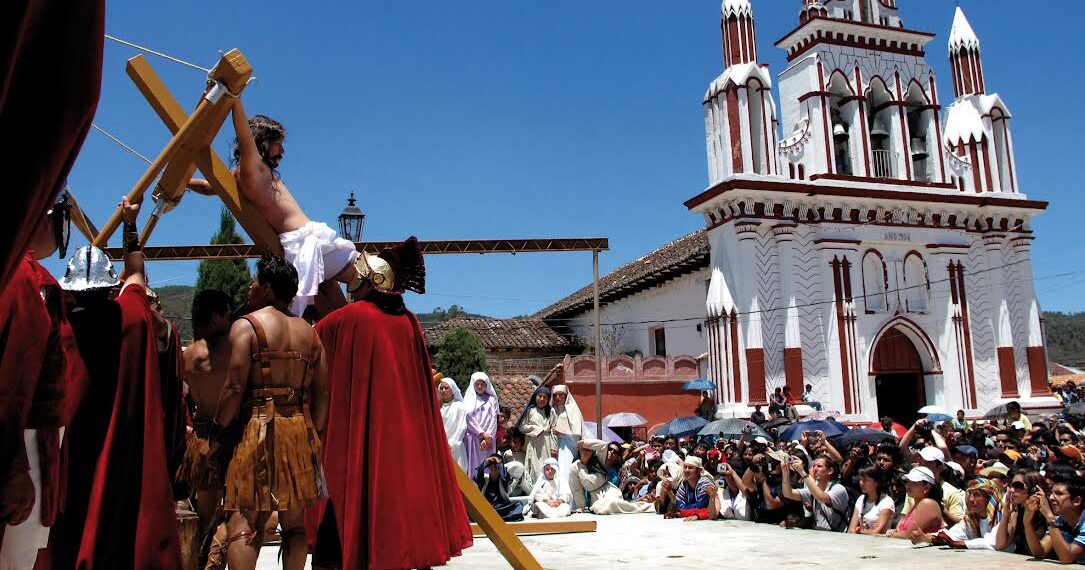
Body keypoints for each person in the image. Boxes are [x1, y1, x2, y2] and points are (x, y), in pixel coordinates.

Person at [310, 239, 471, 570]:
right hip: (407, 438)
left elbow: (312, 342)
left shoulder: (353, 318)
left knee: (348, 519)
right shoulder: (409, 321)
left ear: (370, 281)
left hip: (370, 436)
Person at [49, 197, 183, 568]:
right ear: (111, 289)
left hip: (73, 455)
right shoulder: (133, 316)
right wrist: (130, 222)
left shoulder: (60, 330)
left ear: (71, 289)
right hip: (124, 450)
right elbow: (137, 270)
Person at [206, 255, 329, 570]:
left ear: (269, 288)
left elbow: (233, 389)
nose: (251, 285)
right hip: (300, 432)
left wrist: (217, 434)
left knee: (244, 523)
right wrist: (312, 435)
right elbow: (322, 394)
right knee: (295, 525)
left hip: (257, 431)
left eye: (256, 280)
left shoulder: (246, 326)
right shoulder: (310, 334)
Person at [190, 100, 358, 317]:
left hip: (303, 246)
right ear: (263, 142)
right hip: (304, 242)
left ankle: (349, 331)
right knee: (371, 276)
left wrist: (184, 183)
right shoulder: (254, 168)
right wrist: (235, 98)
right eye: (278, 143)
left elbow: (207, 187)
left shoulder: (242, 174)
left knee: (334, 299)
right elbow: (244, 135)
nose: (283, 150)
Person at [0, 196, 85, 570]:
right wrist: (15, 466)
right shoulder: (26, 279)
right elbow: (11, 383)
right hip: (25, 444)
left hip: (32, 445)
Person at [177, 288, 235, 567]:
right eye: (227, 314)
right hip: (228, 437)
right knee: (230, 515)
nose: (231, 320)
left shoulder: (187, 357)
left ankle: (199, 563)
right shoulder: (230, 350)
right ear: (215, 318)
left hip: (199, 436)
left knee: (205, 514)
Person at [570, 439, 654, 515]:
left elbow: (604, 445)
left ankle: (647, 507)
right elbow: (577, 489)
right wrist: (580, 507)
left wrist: (585, 442)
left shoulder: (598, 460)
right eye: (584, 449)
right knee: (600, 509)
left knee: (614, 502)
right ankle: (636, 504)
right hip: (595, 497)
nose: (587, 452)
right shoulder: (574, 467)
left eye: (589, 449)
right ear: (579, 450)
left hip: (610, 490)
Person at [921, 478, 1006, 550]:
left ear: (989, 497)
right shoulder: (972, 518)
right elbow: (953, 534)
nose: (971, 499)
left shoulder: (1001, 515)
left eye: (977, 495)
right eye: (970, 495)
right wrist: (925, 537)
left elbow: (994, 542)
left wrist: (959, 544)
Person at [1022, 474, 1085, 563]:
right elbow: (1040, 552)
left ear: (1077, 501)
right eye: (1052, 493)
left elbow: (1067, 558)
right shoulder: (1061, 520)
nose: (1051, 498)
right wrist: (1027, 522)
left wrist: (1049, 516)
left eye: (1059, 493)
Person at [782, 455, 850, 532]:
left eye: (819, 466)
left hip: (838, 537)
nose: (815, 469)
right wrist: (785, 472)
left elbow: (821, 497)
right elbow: (788, 493)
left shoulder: (838, 488)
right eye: (813, 466)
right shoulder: (812, 491)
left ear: (830, 471)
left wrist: (802, 472)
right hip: (819, 535)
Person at [998, 469, 1048, 555]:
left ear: (1033, 489)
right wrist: (1006, 515)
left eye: (1017, 486)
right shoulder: (1018, 513)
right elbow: (1000, 544)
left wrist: (1027, 522)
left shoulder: (1047, 515)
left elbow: (1038, 553)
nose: (1012, 490)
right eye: (1011, 485)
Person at [515, 386, 555, 490]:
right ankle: (536, 493)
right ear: (535, 397)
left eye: (545, 397)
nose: (542, 399)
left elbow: (554, 429)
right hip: (534, 444)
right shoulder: (530, 411)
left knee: (548, 468)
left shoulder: (551, 411)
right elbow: (521, 426)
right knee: (535, 468)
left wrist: (554, 446)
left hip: (547, 443)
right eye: (540, 396)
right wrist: (535, 430)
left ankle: (548, 491)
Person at [887, 467, 944, 539]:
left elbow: (910, 534)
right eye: (907, 482)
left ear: (927, 487)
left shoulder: (928, 504)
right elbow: (900, 530)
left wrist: (889, 535)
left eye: (914, 483)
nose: (908, 486)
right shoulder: (916, 504)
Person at [551, 384, 584, 494]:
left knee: (566, 471)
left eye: (561, 395)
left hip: (568, 446)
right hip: (554, 445)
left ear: (566, 396)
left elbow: (577, 432)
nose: (557, 398)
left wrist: (563, 433)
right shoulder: (552, 410)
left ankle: (568, 498)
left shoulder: (572, 410)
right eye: (555, 395)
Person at [464, 372, 499, 475]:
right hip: (473, 438)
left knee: (487, 466)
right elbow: (469, 418)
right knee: (473, 467)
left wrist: (488, 437)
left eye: (482, 384)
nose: (480, 386)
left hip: (488, 440)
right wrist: (481, 433)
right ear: (473, 385)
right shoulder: (469, 399)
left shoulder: (491, 399)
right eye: (477, 384)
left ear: (486, 385)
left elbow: (493, 418)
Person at [474, 456, 524, 523]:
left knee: (518, 504)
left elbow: (518, 466)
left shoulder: (503, 479)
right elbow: (478, 473)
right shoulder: (485, 479)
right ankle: (493, 516)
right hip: (487, 507)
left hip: (501, 507)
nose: (493, 467)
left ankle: (493, 517)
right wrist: (486, 462)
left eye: (496, 465)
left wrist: (499, 463)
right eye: (491, 464)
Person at [670, 456, 718, 521]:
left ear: (698, 471)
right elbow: (680, 506)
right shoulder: (684, 483)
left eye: (690, 468)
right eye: (685, 467)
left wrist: (681, 513)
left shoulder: (704, 483)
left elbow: (700, 506)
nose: (686, 470)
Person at [848, 467, 894, 535]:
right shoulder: (861, 499)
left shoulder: (886, 502)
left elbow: (878, 532)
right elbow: (851, 529)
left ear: (876, 482)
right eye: (860, 479)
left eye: (865, 480)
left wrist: (860, 530)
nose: (861, 483)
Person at [438, 378, 470, 474]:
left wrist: (450, 444)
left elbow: (461, 427)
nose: (443, 390)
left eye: (446, 388)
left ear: (453, 390)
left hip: (456, 448)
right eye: (441, 388)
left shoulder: (460, 407)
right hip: (440, 448)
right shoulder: (437, 408)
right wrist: (442, 443)